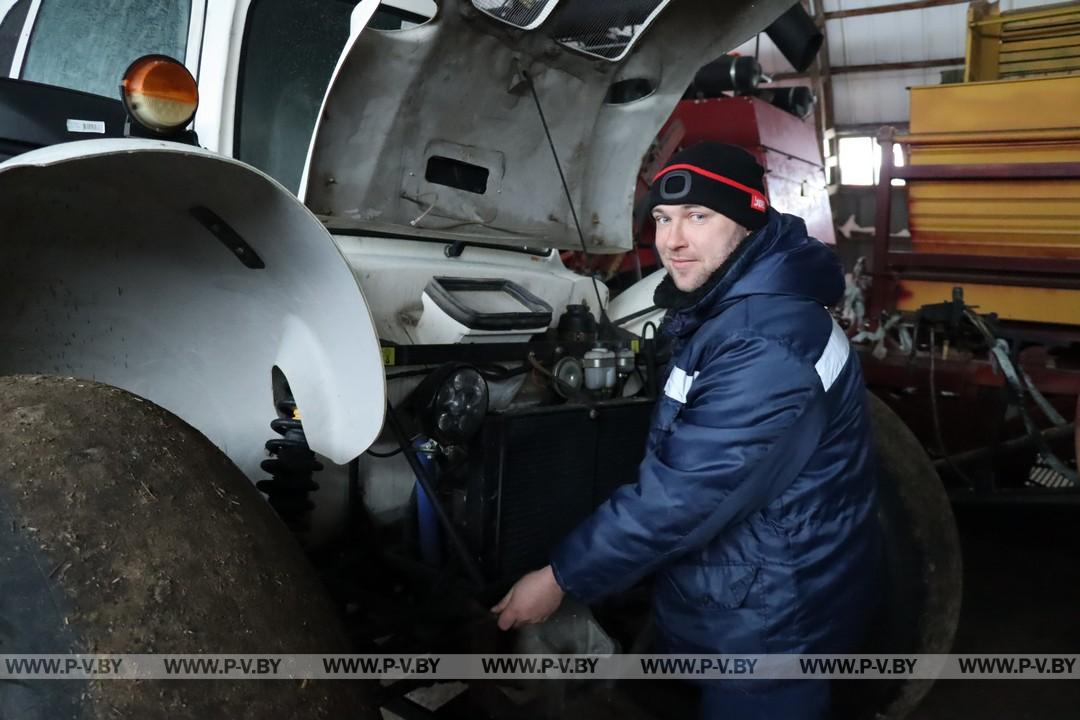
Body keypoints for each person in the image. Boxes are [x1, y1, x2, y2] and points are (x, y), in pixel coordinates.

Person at [492, 142, 880, 719]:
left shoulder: (763, 340)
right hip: (763, 591)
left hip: (767, 625)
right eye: (663, 218)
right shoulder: (742, 308)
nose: (673, 240)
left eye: (699, 217)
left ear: (747, 223)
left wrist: (560, 576)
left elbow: (687, 496)